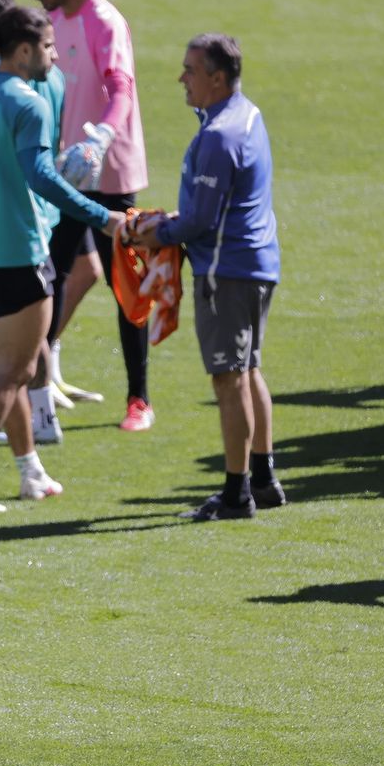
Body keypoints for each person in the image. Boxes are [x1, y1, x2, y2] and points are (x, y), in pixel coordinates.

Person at [0, 6, 123, 512]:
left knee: (8, 366)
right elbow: (40, 177)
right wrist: (103, 218)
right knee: (16, 370)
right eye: (49, 47)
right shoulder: (29, 102)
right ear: (23, 49)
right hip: (21, 251)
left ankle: (29, 471)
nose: (55, 56)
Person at [133, 35, 284, 520]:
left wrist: (157, 232)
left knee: (228, 379)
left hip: (226, 270)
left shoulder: (219, 136)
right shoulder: (249, 115)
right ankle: (263, 479)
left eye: (190, 70)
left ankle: (237, 494)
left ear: (216, 78)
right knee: (250, 369)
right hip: (257, 263)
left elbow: (201, 223)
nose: (181, 78)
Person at [23, 0, 154, 431]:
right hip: (62, 174)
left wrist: (99, 138)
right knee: (46, 277)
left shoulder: (104, 20)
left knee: (127, 283)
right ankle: (33, 388)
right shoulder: (50, 23)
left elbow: (121, 88)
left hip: (111, 171)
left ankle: (138, 399)